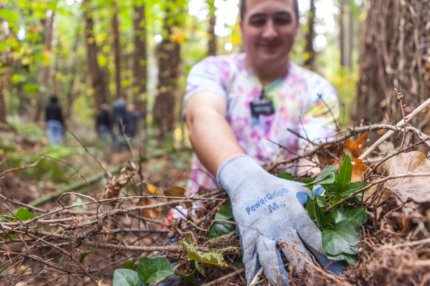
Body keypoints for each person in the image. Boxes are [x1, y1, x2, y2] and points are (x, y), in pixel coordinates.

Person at [184, 0, 343, 284]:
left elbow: (313, 160)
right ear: (242, 26)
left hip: (282, 226)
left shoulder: (316, 91)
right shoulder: (214, 71)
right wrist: (243, 177)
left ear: (296, 24)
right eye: (258, 21)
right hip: (197, 229)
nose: (270, 32)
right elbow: (201, 115)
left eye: (281, 19)